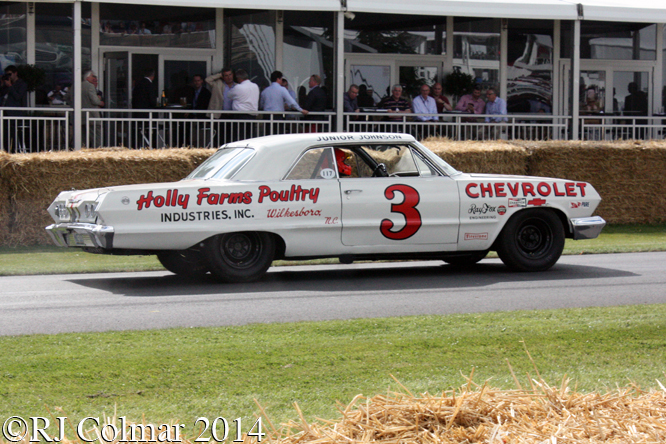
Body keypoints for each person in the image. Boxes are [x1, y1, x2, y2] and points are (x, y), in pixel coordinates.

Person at [227, 69, 260, 140]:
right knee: (250, 137)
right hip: (252, 115)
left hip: (240, 115)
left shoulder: (238, 87)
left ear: (238, 78)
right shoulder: (255, 86)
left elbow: (229, 95)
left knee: (239, 137)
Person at [2, 65, 28, 152]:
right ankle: (5, 151)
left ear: (15, 73)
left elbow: (18, 97)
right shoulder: (7, 85)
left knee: (12, 135)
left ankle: (13, 151)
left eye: (10, 74)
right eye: (7, 75)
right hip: (4, 112)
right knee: (5, 134)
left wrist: (10, 86)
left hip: (14, 114)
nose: (8, 76)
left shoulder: (22, 84)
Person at [131, 68, 157, 148]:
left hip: (137, 114)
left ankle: (136, 147)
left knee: (138, 132)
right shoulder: (150, 85)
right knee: (150, 131)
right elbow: (152, 100)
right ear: (153, 76)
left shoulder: (138, 84)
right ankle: (151, 147)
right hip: (147, 115)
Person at [81, 70, 105, 148]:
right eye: (93, 76)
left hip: (80, 117)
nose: (95, 79)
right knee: (96, 136)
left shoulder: (76, 85)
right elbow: (95, 101)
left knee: (82, 137)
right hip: (92, 116)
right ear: (88, 77)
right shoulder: (90, 86)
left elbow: (67, 98)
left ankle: (81, 152)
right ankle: (97, 152)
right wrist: (100, 102)